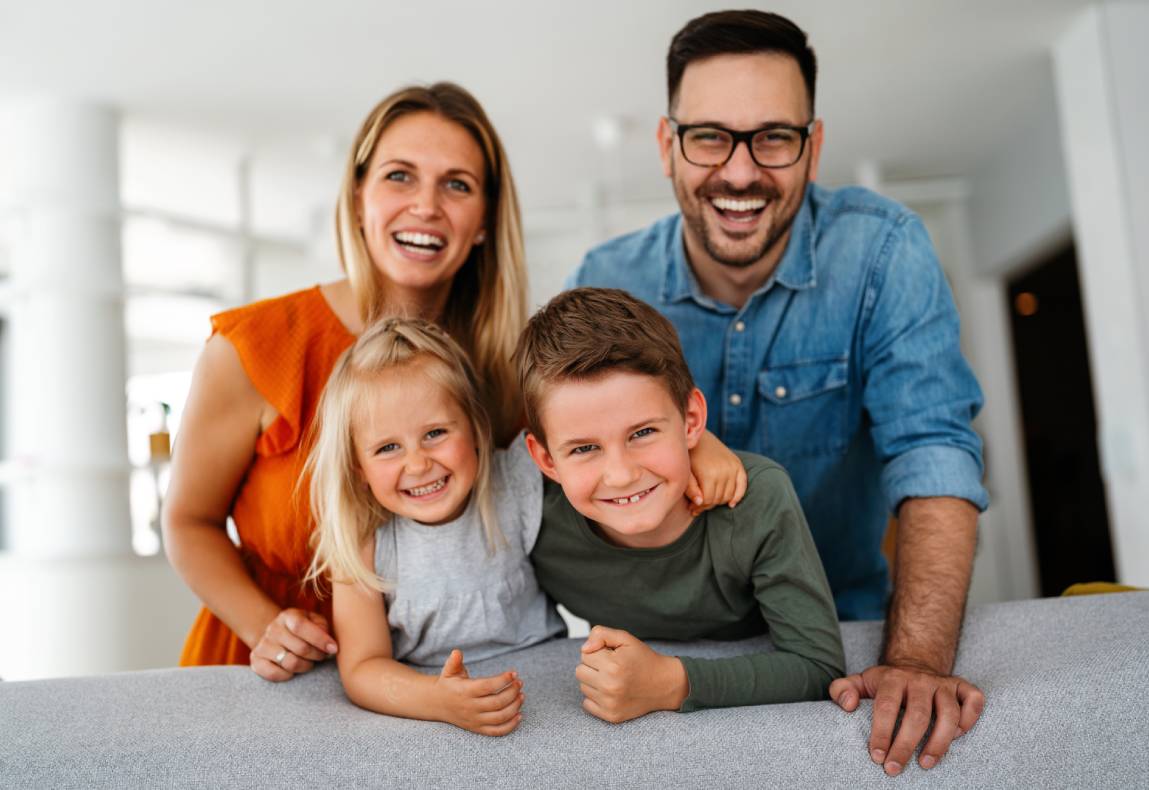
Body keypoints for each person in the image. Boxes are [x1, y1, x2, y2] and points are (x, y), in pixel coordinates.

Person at [566, 10, 987, 775]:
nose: (738, 172)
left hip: (845, 629)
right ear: (667, 147)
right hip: (658, 652)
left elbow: (932, 453)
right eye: (707, 137)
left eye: (772, 137)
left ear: (812, 146)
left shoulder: (883, 250)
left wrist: (918, 660)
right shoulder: (607, 281)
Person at [163, 82, 530, 680]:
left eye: (456, 184)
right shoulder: (254, 348)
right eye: (399, 176)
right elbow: (187, 522)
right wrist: (266, 626)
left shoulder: (499, 373)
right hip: (270, 671)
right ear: (358, 198)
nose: (426, 206)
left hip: (428, 686)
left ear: (484, 221)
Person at [517, 287, 846, 723]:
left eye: (642, 433)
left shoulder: (756, 500)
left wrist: (672, 683)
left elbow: (818, 666)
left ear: (692, 420)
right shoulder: (529, 518)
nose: (621, 474)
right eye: (583, 449)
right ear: (545, 460)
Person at [304, 317, 565, 736]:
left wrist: (698, 450)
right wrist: (438, 700)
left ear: (476, 428)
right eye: (388, 447)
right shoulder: (363, 542)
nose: (418, 464)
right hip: (432, 710)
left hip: (549, 696)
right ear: (359, 467)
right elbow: (362, 667)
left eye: (436, 433)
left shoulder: (516, 477)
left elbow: (596, 436)